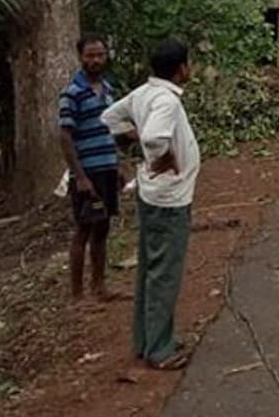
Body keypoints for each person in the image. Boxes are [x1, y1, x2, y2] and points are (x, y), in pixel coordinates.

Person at [102, 38, 200, 371]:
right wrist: (164, 157)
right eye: (188, 63)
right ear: (181, 68)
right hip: (168, 199)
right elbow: (155, 138)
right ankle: (159, 349)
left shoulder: (144, 93)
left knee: (150, 268)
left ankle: (148, 339)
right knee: (164, 273)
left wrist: (134, 135)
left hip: (153, 194)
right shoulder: (165, 100)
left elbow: (109, 119)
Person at [59, 34, 120, 302]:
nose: (95, 60)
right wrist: (79, 176)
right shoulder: (72, 93)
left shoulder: (107, 89)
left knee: (103, 227)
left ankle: (99, 286)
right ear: (81, 57)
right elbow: (65, 136)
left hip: (107, 168)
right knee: (83, 229)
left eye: (100, 55)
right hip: (87, 172)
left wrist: (116, 165)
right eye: (90, 55)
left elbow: (111, 130)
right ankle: (77, 294)